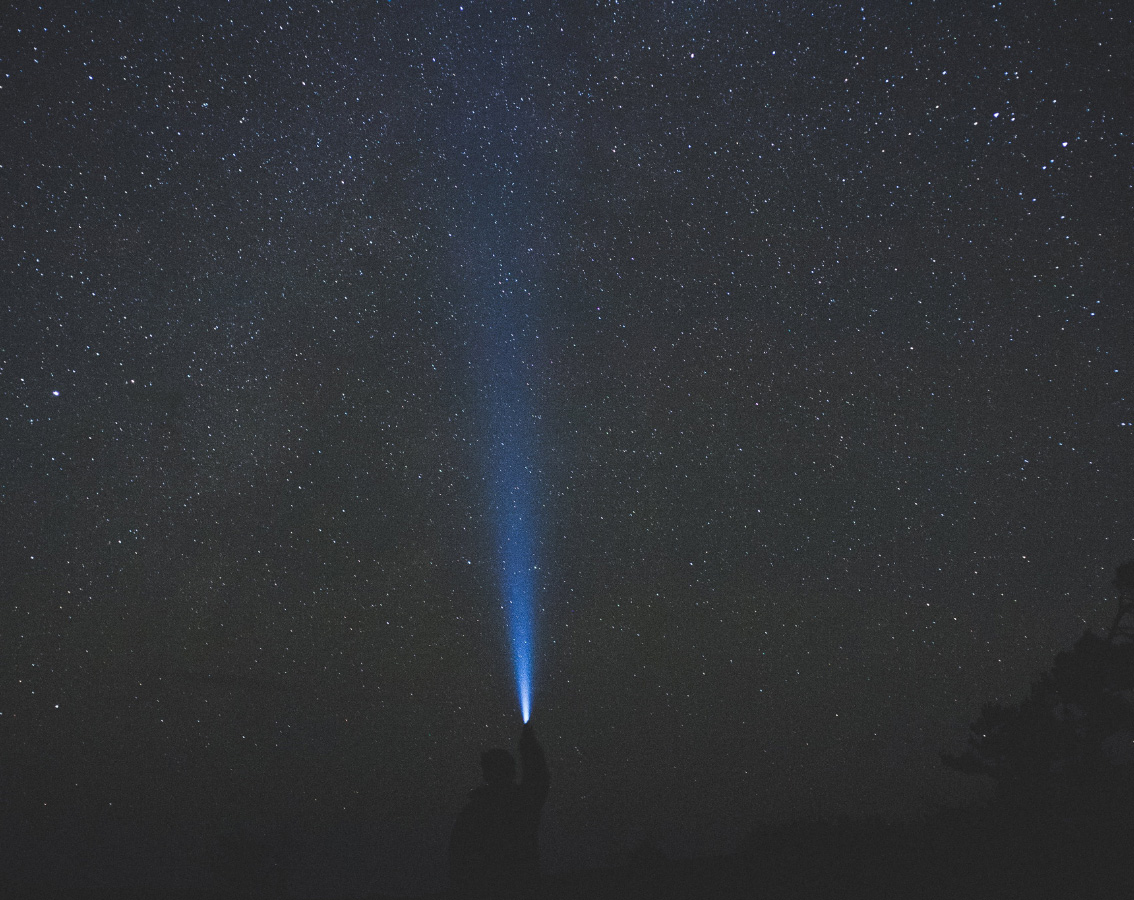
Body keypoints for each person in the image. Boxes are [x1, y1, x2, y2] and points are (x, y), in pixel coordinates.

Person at [449, 722, 550, 899]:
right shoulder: (521, 803)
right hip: (522, 887)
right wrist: (528, 744)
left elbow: (457, 857)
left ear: (486, 773)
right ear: (511, 770)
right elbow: (538, 777)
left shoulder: (474, 810)